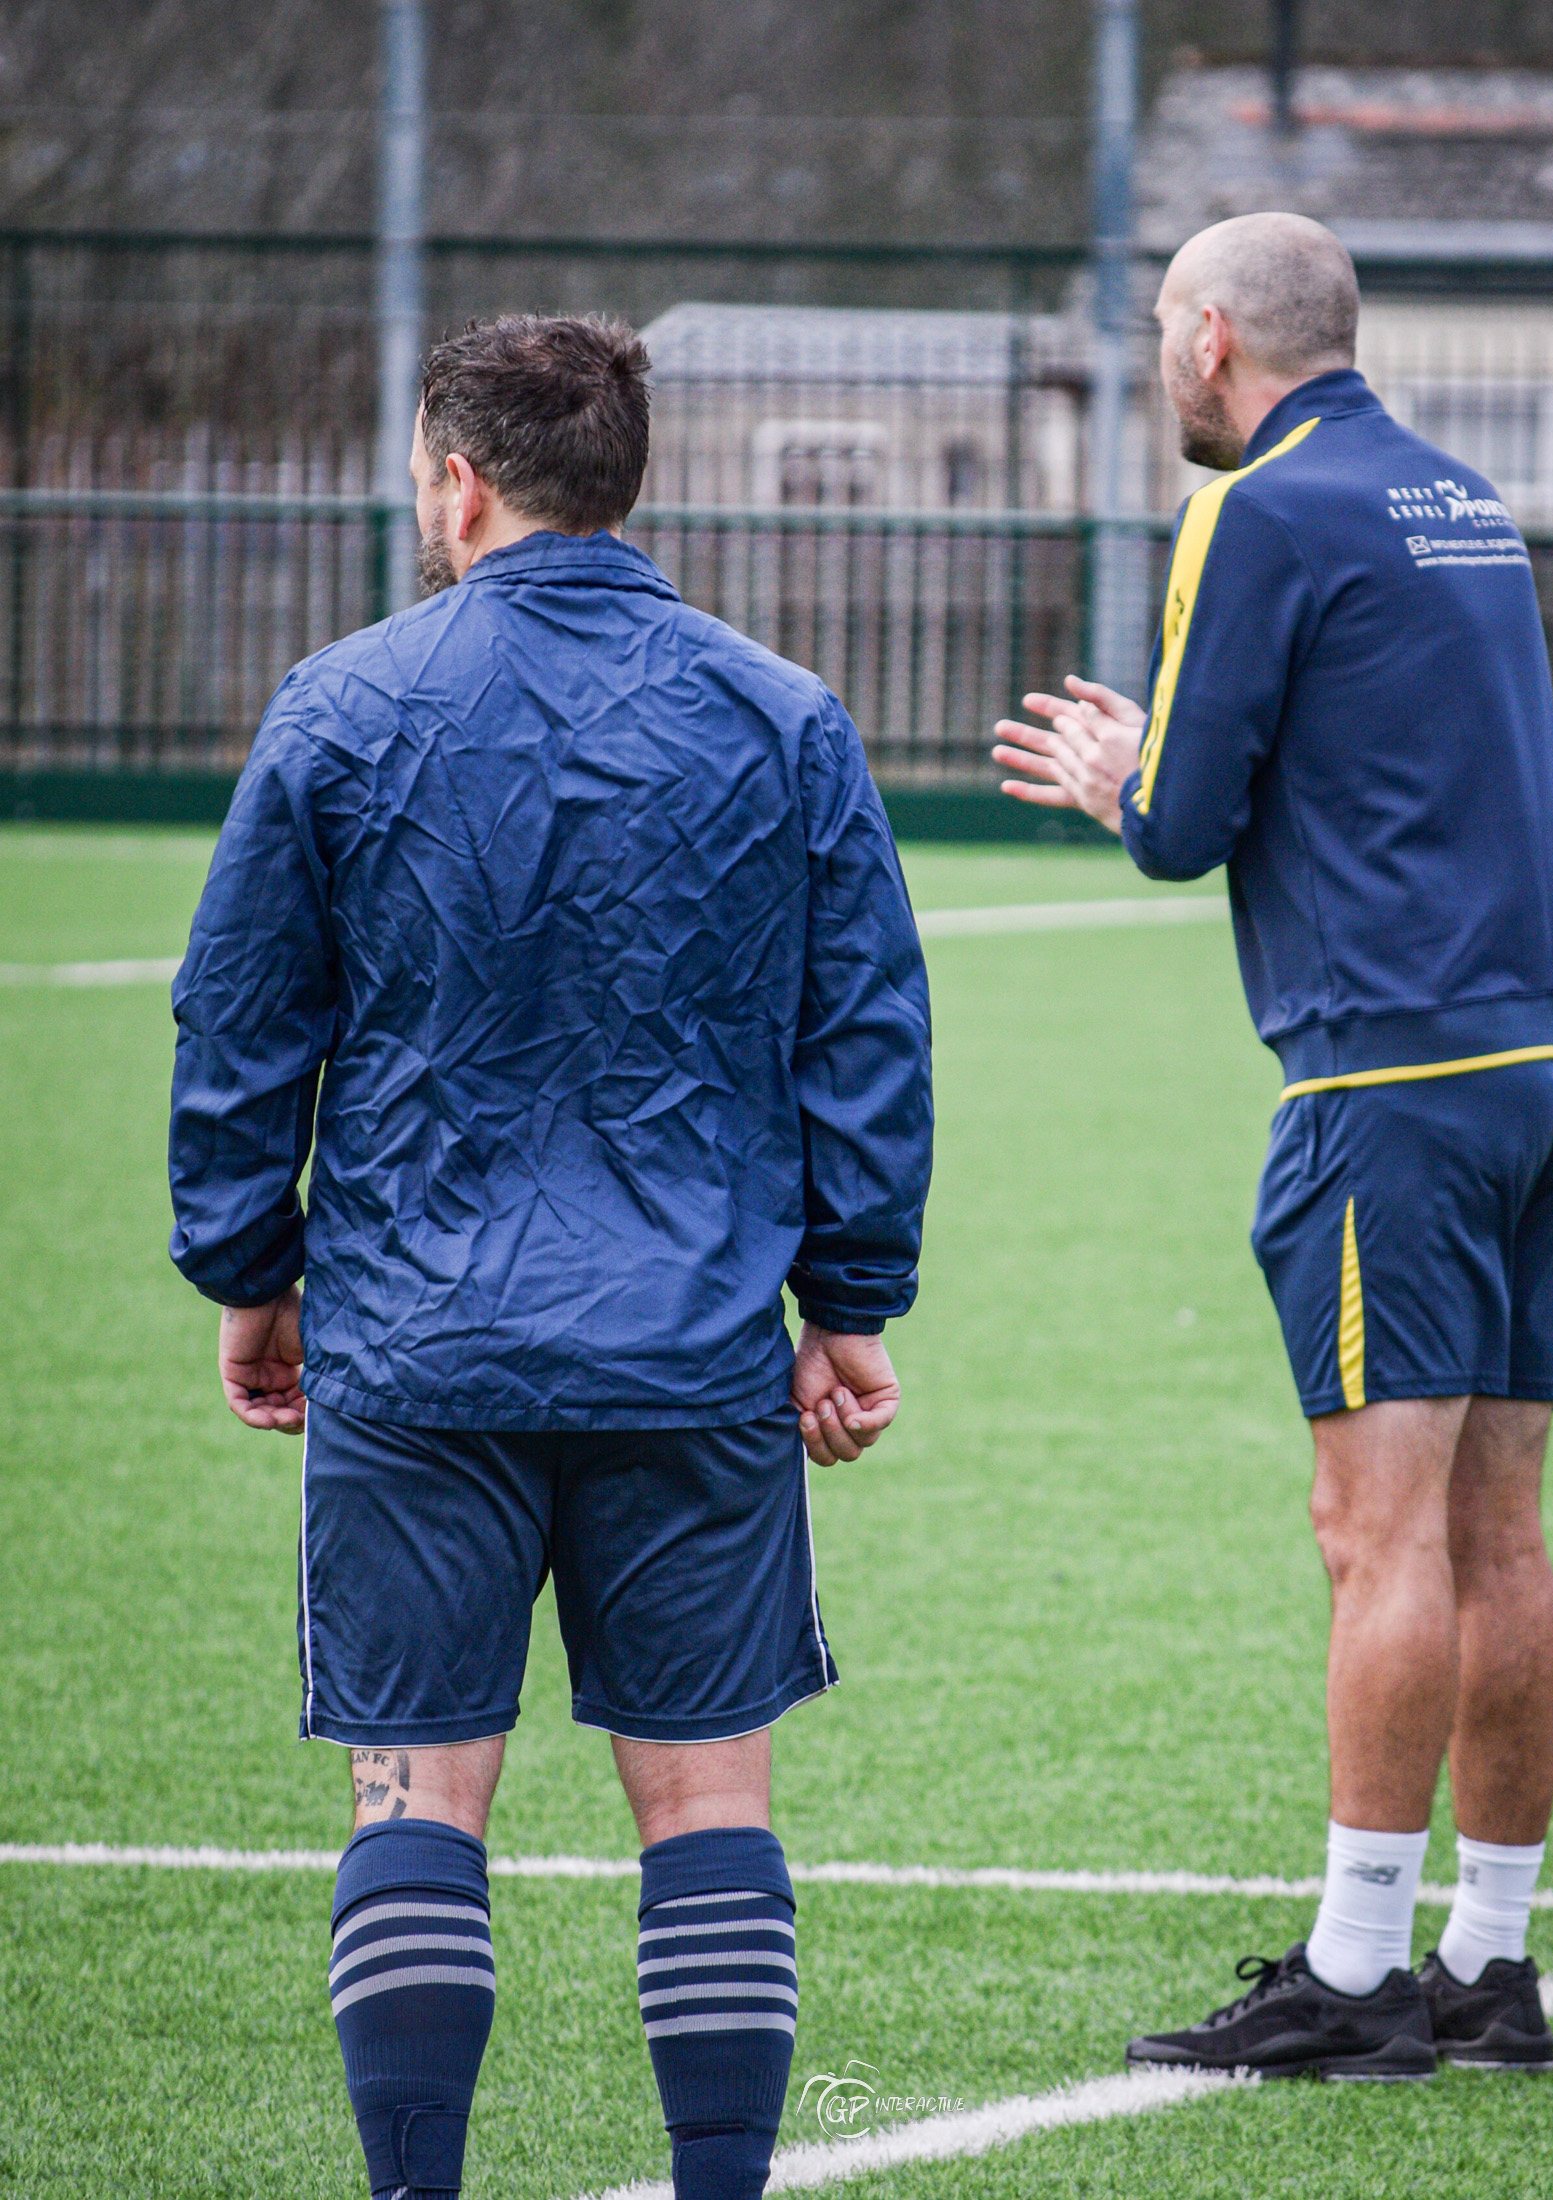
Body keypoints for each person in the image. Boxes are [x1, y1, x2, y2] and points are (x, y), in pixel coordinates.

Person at [169, 314, 933, 2200]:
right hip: (687, 1344)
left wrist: (247, 1272)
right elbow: (867, 1033)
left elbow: (243, 1027)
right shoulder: (780, 711)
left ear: (458, 478)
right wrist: (846, 1302)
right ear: (626, 480)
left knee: (421, 1793)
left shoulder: (343, 705)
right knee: (705, 1808)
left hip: (416, 1348)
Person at [995, 212, 1553, 2080]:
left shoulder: (1260, 506)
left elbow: (1183, 822)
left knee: (1378, 1532)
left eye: (1169, 328)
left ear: (1211, 345)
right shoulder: (1462, 494)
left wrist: (1120, 776)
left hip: (1386, 1090)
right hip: (1548, 1066)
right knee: (1503, 1530)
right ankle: (1486, 1969)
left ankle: (1352, 1976)